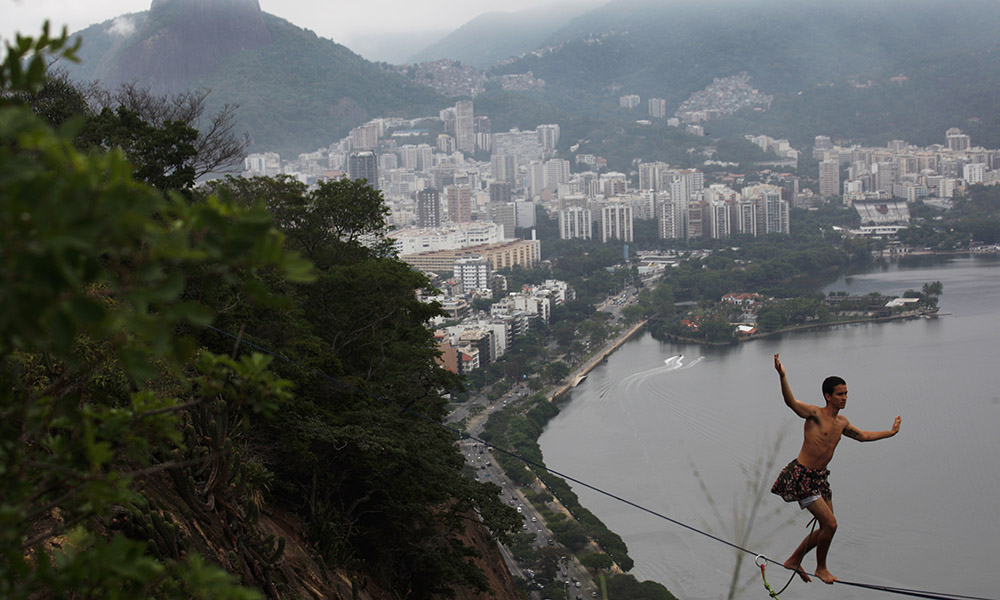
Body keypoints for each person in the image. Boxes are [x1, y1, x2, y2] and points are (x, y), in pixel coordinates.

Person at [770, 353, 901, 584]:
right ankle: (821, 568)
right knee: (831, 524)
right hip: (803, 477)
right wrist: (782, 376)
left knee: (827, 527)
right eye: (840, 394)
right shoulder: (815, 415)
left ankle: (793, 560)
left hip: (820, 479)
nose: (844, 398)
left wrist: (890, 432)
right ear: (828, 396)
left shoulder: (842, 423)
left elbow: (863, 436)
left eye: (846, 393)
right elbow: (791, 403)